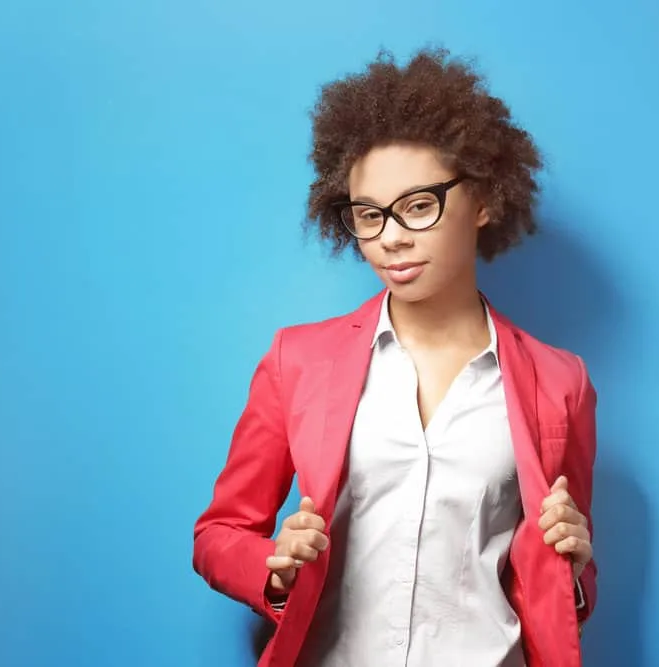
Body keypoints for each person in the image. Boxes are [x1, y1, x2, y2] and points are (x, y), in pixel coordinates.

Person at [193, 47, 599, 667]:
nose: (390, 237)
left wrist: (571, 565)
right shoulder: (296, 361)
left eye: (418, 205)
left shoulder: (559, 381)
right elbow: (219, 535)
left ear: (484, 200)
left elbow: (565, 582)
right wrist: (273, 567)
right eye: (368, 214)